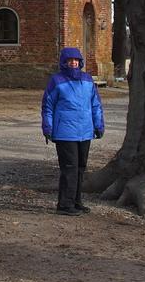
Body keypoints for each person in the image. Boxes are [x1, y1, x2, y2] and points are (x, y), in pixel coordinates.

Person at [41, 47, 104, 216]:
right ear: (64, 62)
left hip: (85, 131)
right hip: (64, 132)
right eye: (70, 60)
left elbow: (95, 105)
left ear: (80, 62)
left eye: (76, 60)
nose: (73, 63)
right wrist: (47, 126)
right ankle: (64, 205)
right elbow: (48, 105)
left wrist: (99, 125)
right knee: (70, 168)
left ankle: (76, 201)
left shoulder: (88, 80)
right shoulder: (57, 80)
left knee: (81, 168)